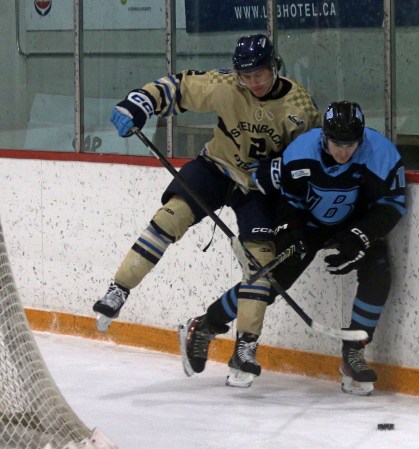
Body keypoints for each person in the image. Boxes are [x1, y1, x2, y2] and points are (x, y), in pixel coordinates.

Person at [92, 34, 321, 379]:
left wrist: (281, 173)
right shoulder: (228, 86)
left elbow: (309, 159)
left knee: (259, 262)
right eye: (246, 75)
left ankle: (245, 346)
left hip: (258, 187)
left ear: (274, 67)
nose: (253, 82)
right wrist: (139, 104)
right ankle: (119, 288)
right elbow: (179, 87)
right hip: (215, 167)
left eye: (260, 73)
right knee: (170, 218)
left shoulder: (300, 106)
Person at [182, 101, 406, 394]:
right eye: (336, 143)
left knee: (378, 270)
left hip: (355, 223)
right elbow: (289, 201)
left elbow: (393, 204)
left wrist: (361, 236)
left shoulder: (382, 154)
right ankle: (207, 324)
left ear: (361, 138)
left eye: (350, 144)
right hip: (308, 224)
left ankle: (354, 352)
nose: (343, 151)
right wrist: (291, 233)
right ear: (324, 136)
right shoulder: (301, 152)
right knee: (268, 283)